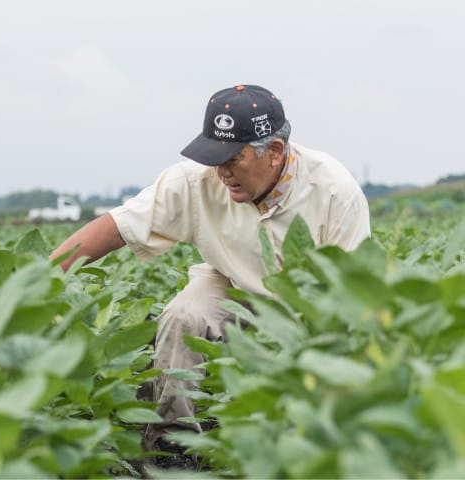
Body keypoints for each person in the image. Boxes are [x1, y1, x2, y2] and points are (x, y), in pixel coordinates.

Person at [49, 84, 371, 468]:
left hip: (307, 302)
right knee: (183, 317)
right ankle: (171, 444)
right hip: (230, 280)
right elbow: (117, 227)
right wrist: (33, 283)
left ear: (276, 152)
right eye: (214, 157)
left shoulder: (334, 190)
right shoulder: (194, 181)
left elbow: (354, 293)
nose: (222, 172)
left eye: (233, 159)